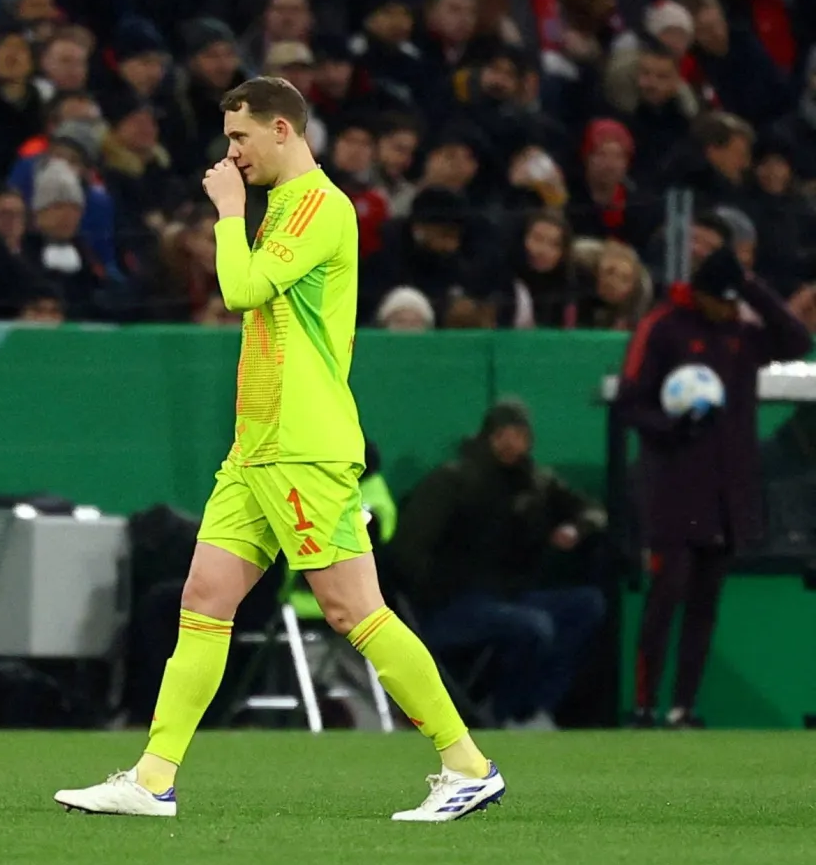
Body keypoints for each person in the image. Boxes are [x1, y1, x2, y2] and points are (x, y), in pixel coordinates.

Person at [54, 77, 503, 822]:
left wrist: (229, 213)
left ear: (283, 132)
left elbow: (242, 288)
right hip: (255, 445)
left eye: (240, 138)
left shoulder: (321, 207)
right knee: (204, 598)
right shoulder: (286, 208)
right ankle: (153, 777)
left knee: (354, 608)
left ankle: (467, 764)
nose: (231, 153)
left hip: (304, 444)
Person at [617, 217, 813, 727]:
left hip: (727, 492)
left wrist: (752, 285)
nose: (728, 309)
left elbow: (795, 340)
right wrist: (670, 427)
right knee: (666, 595)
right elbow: (630, 403)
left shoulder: (739, 332)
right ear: (698, 294)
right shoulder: (663, 326)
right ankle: (643, 704)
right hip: (674, 490)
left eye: (735, 300)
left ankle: (684, 706)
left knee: (705, 603)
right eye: (722, 299)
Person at [387, 400, 607, 730]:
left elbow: (593, 510)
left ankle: (533, 709)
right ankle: (504, 713)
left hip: (509, 596)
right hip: (452, 604)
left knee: (587, 605)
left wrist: (577, 528)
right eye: (502, 433)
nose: (510, 443)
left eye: (519, 434)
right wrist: (436, 590)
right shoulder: (452, 481)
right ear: (487, 436)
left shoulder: (536, 482)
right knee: (533, 626)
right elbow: (408, 550)